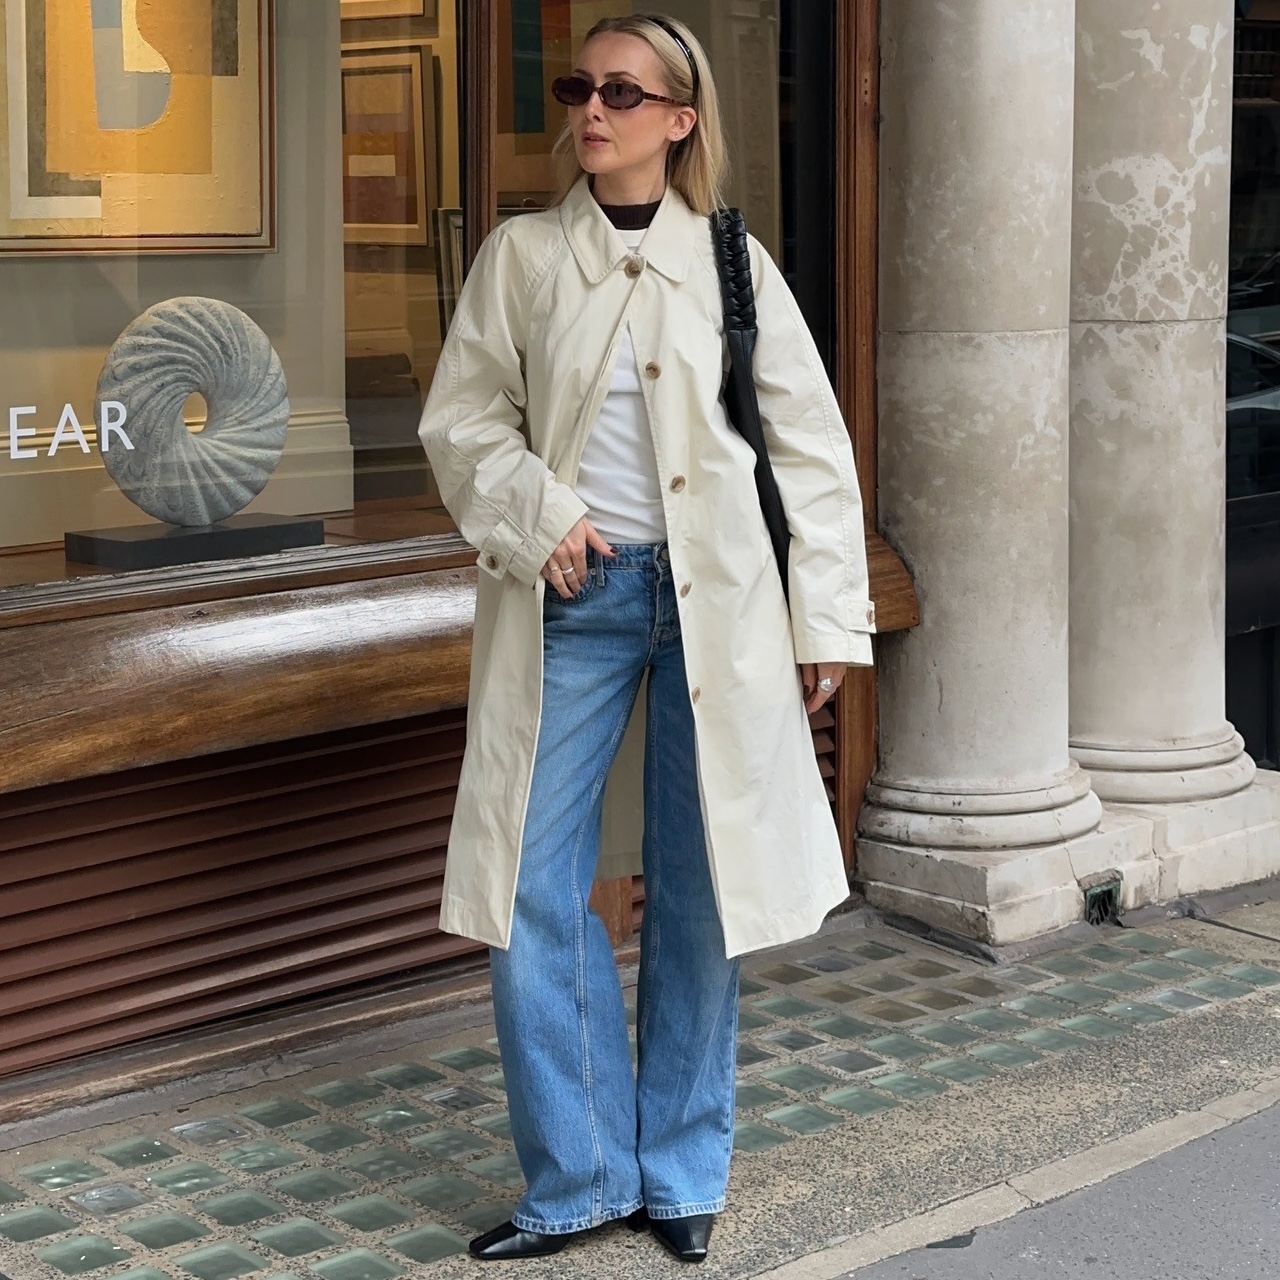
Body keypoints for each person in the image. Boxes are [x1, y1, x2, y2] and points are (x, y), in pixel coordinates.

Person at [418, 12, 874, 1265]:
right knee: (526, 877)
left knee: (697, 882)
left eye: (621, 92)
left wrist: (823, 617)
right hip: (574, 595)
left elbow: (809, 449)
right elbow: (461, 422)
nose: (591, 109)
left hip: (716, 603)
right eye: (579, 87)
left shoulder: (732, 262)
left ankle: (677, 1169)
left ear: (678, 119)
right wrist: (539, 511)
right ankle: (577, 1176)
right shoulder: (521, 257)